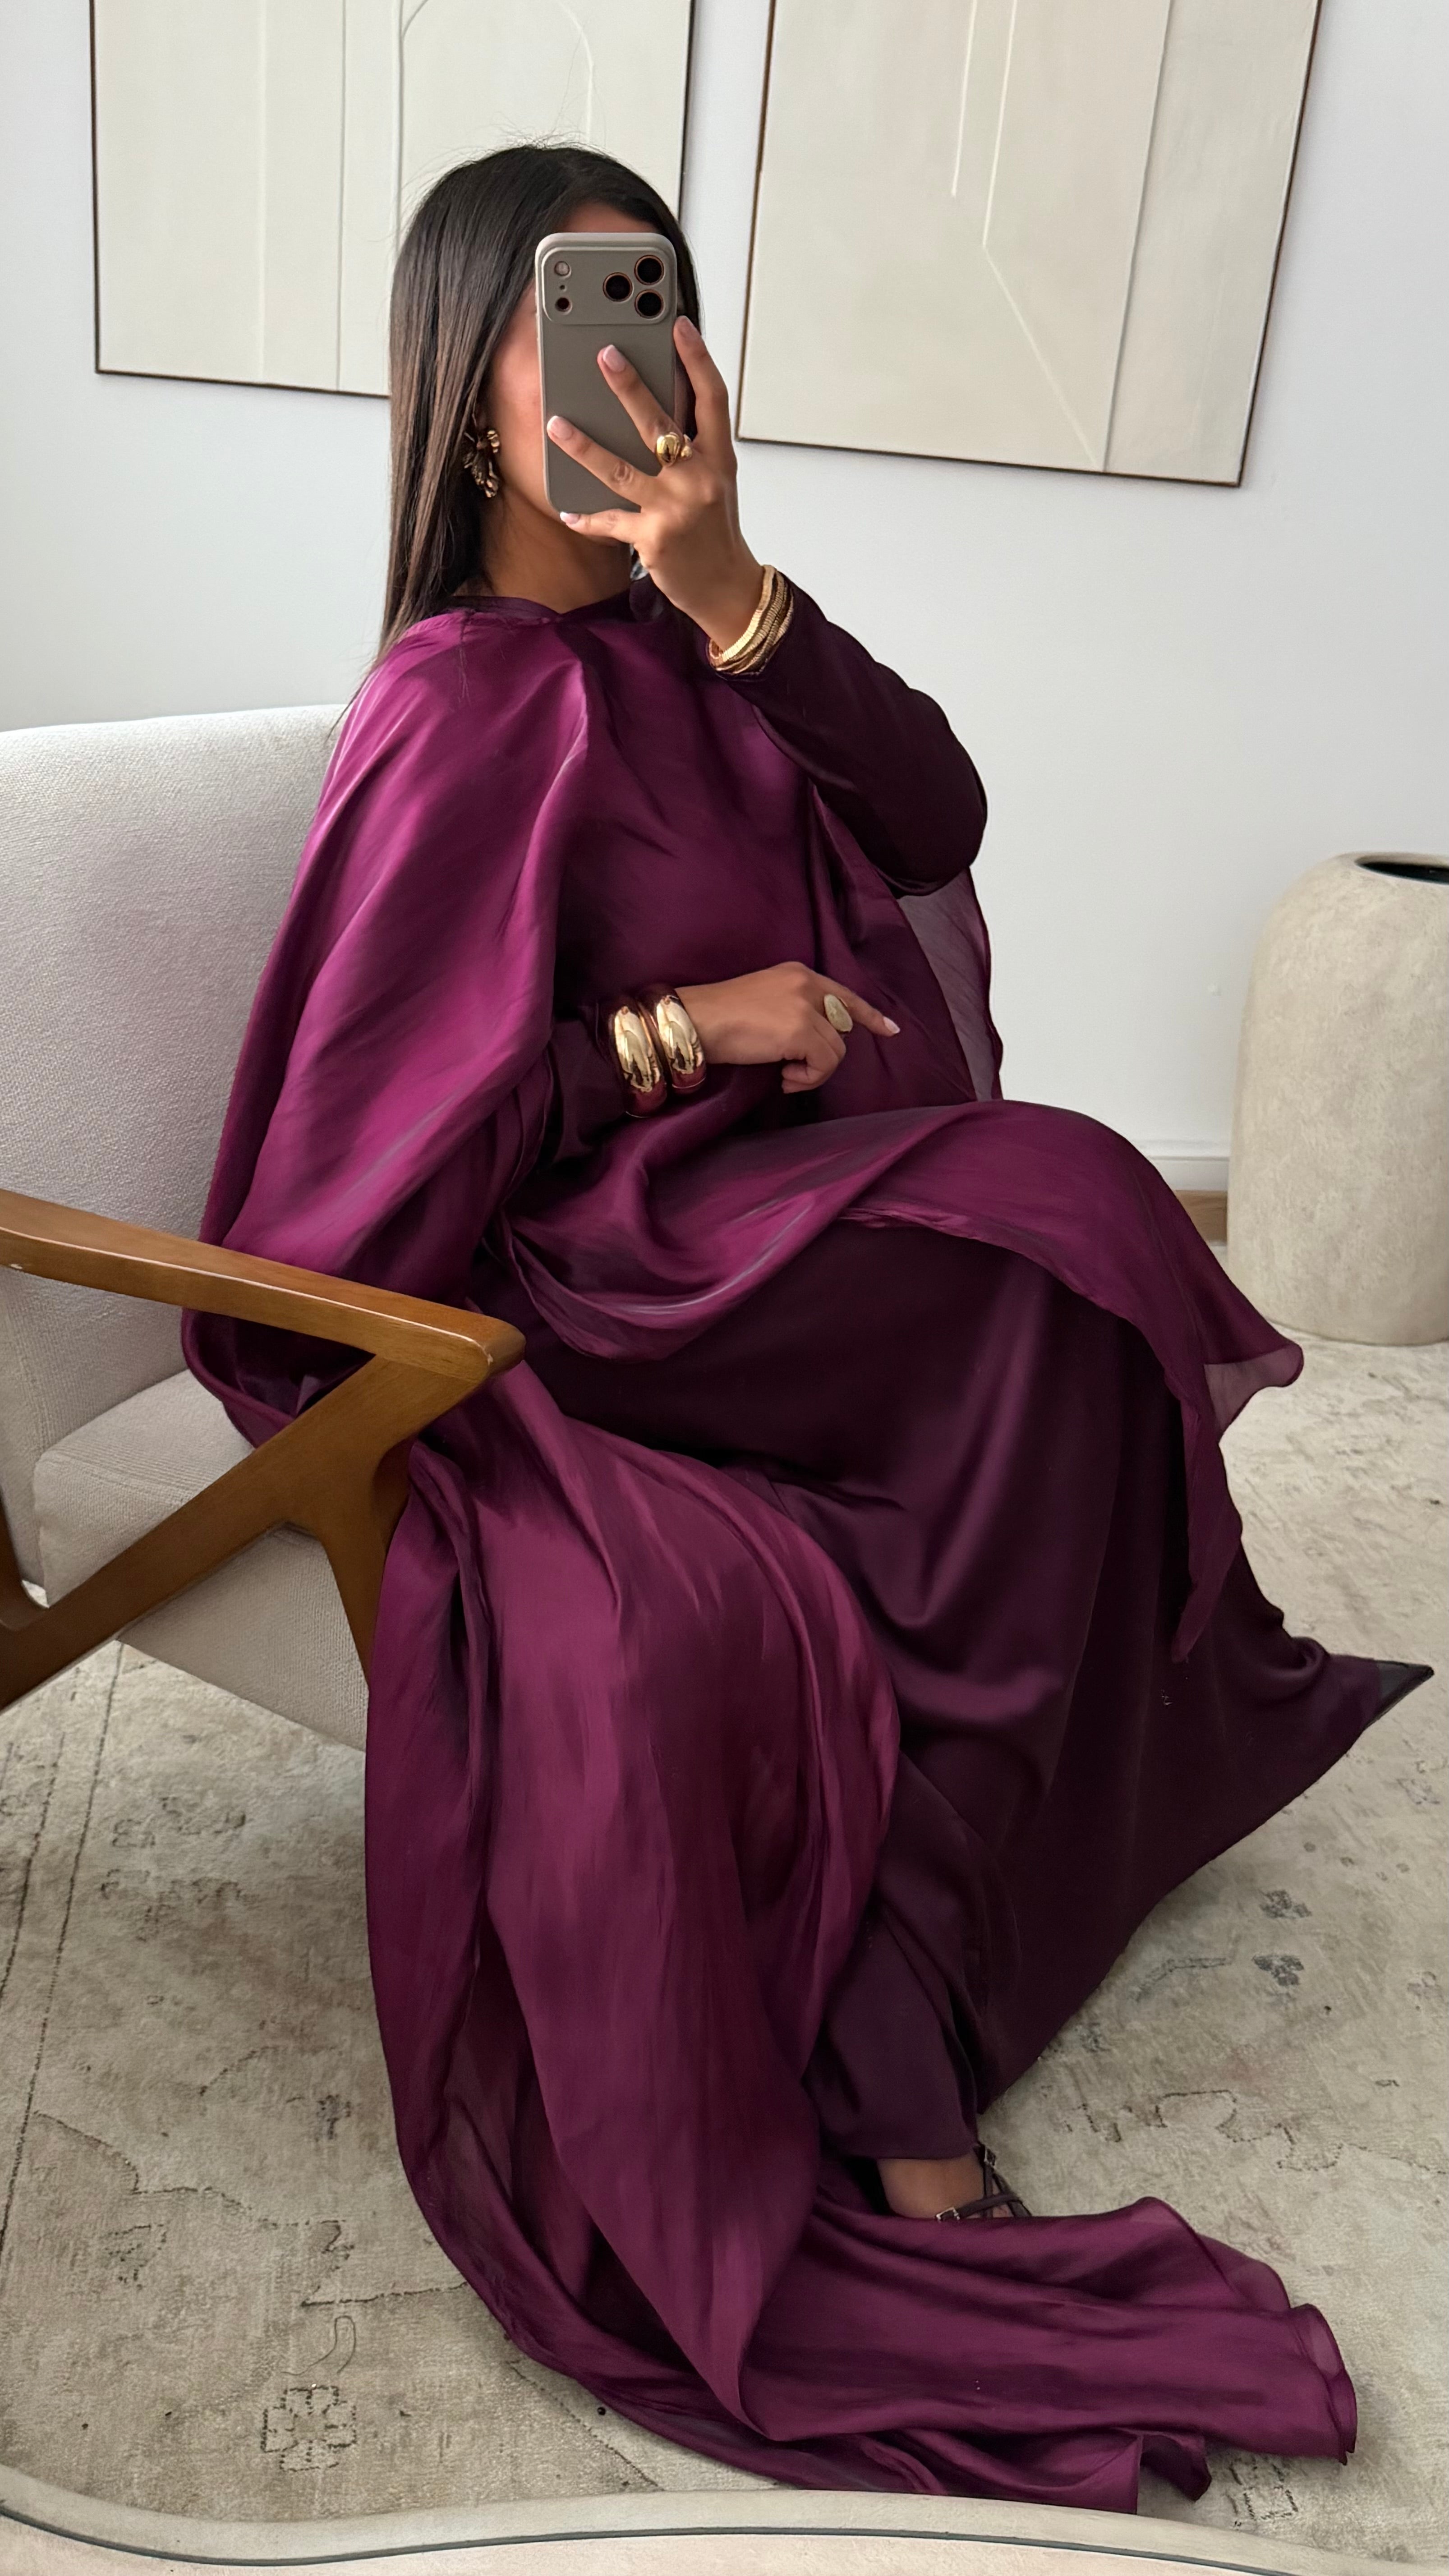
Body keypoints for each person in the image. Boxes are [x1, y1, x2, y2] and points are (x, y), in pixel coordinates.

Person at [181, 144, 1430, 2509]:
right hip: (584, 1279)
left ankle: (919, 1960)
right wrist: (681, 1036)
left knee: (1059, 1268)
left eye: (666, 298)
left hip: (757, 1227)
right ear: (468, 393)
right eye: (584, 313)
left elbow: (935, 810)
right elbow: (366, 1165)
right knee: (1054, 1235)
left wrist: (736, 587)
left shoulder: (701, 638)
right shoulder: (463, 698)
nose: (652, 356)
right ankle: (890, 2048)